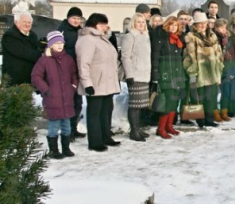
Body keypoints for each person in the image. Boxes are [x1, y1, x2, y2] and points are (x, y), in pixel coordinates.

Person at [75, 13, 121, 152]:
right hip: (95, 82)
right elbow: (84, 63)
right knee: (95, 113)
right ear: (94, 25)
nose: (105, 27)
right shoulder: (88, 40)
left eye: (105, 24)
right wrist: (87, 83)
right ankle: (95, 141)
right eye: (102, 24)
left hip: (107, 82)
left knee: (106, 111)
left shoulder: (102, 38)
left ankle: (106, 137)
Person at [31, 31, 78, 159]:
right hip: (52, 99)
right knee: (54, 126)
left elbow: (74, 75)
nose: (59, 45)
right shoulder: (44, 60)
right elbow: (36, 76)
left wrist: (73, 86)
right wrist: (46, 89)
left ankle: (66, 148)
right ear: (51, 45)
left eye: (61, 43)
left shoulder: (68, 59)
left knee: (66, 126)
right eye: (56, 43)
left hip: (67, 99)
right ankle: (54, 150)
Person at [184, 12, 224, 129]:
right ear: (195, 24)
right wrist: (192, 71)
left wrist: (219, 65)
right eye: (199, 23)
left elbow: (219, 52)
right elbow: (190, 55)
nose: (202, 25)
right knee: (198, 96)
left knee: (211, 96)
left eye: (204, 23)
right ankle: (199, 119)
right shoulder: (190, 36)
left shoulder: (212, 35)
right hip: (199, 70)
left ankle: (209, 119)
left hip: (212, 70)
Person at [151, 16, 187, 139]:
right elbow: (155, 56)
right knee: (166, 102)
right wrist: (155, 72)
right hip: (165, 73)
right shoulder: (161, 38)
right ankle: (160, 128)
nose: (173, 27)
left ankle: (169, 126)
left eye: (175, 25)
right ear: (167, 25)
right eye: (171, 24)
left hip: (177, 74)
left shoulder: (178, 39)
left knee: (175, 100)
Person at [121, 13, 152, 142]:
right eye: (138, 22)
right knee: (134, 104)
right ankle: (133, 131)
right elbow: (125, 56)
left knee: (141, 104)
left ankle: (138, 128)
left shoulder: (145, 36)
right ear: (133, 23)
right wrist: (129, 74)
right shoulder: (130, 36)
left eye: (143, 22)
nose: (141, 24)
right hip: (135, 74)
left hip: (144, 74)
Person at [57, 7, 86, 140]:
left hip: (77, 71)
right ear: (68, 18)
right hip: (65, 71)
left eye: (78, 18)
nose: (76, 20)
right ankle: (66, 131)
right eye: (74, 18)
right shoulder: (61, 31)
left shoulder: (81, 31)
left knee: (77, 102)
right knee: (67, 102)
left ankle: (73, 128)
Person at [1, 12, 42, 86]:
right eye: (24, 22)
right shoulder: (10, 36)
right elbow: (24, 52)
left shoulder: (32, 35)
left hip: (30, 77)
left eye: (29, 22)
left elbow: (36, 48)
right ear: (16, 22)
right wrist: (42, 55)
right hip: (15, 79)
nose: (27, 24)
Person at [213, 18, 232, 121]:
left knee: (226, 89)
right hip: (216, 66)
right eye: (221, 28)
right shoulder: (212, 37)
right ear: (216, 28)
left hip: (226, 65)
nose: (223, 30)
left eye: (224, 28)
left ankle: (224, 112)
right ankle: (215, 113)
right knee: (215, 91)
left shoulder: (228, 38)